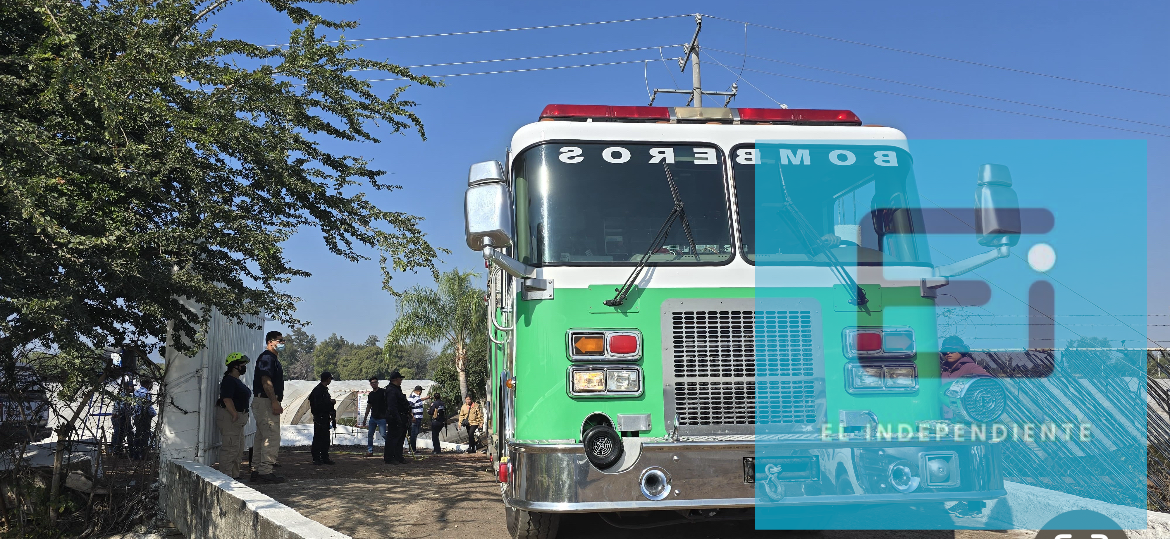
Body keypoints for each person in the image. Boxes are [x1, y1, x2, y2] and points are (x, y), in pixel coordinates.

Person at [251, 331, 287, 483]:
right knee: (271, 436)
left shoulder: (271, 359)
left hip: (263, 401)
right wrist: (274, 401)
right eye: (280, 340)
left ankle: (257, 470)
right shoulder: (267, 358)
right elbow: (266, 380)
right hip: (266, 401)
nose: (282, 343)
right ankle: (265, 471)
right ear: (271, 342)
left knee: (261, 437)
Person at [216, 353, 251, 479]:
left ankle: (234, 476)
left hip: (238, 420)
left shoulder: (236, 381)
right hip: (230, 418)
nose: (244, 367)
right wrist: (234, 414)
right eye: (242, 364)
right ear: (234, 366)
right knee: (230, 448)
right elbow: (226, 399)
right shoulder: (229, 380)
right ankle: (226, 477)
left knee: (238, 448)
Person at [308, 371, 336, 465]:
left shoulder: (323, 390)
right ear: (328, 379)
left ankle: (324, 457)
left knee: (325, 438)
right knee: (318, 438)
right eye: (329, 379)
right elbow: (318, 405)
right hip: (319, 417)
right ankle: (316, 458)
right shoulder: (318, 390)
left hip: (324, 417)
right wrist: (330, 402)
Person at [383, 370, 409, 464]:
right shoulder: (391, 390)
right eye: (400, 379)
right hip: (394, 417)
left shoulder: (397, 389)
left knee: (400, 438)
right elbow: (392, 406)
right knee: (393, 438)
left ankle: (398, 456)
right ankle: (389, 457)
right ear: (396, 379)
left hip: (401, 416)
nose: (401, 381)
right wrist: (397, 418)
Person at [361, 376, 388, 457]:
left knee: (383, 434)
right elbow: (369, 406)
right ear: (370, 384)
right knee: (370, 434)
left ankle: (391, 447)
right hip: (373, 417)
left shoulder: (383, 392)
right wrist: (365, 418)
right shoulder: (371, 394)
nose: (374, 384)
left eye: (375, 382)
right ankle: (370, 451)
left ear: (377, 383)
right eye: (372, 383)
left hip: (382, 417)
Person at [129, 379, 156, 460]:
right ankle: (144, 455)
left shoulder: (136, 392)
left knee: (137, 434)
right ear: (148, 384)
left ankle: (136, 455)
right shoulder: (146, 393)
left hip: (137, 416)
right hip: (144, 417)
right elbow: (148, 406)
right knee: (145, 435)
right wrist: (154, 414)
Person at [110, 377, 135, 457]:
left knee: (127, 433)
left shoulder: (129, 396)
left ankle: (124, 450)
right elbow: (122, 408)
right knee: (119, 434)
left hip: (124, 417)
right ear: (127, 387)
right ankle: (115, 450)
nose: (133, 388)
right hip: (119, 418)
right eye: (132, 386)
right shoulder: (123, 396)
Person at [407, 385, 432, 455]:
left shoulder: (416, 397)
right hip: (415, 418)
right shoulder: (413, 397)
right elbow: (408, 407)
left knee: (416, 433)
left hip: (418, 418)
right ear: (419, 391)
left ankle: (413, 449)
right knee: (413, 434)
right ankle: (412, 450)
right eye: (421, 391)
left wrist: (425, 398)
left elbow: (419, 400)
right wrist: (412, 417)